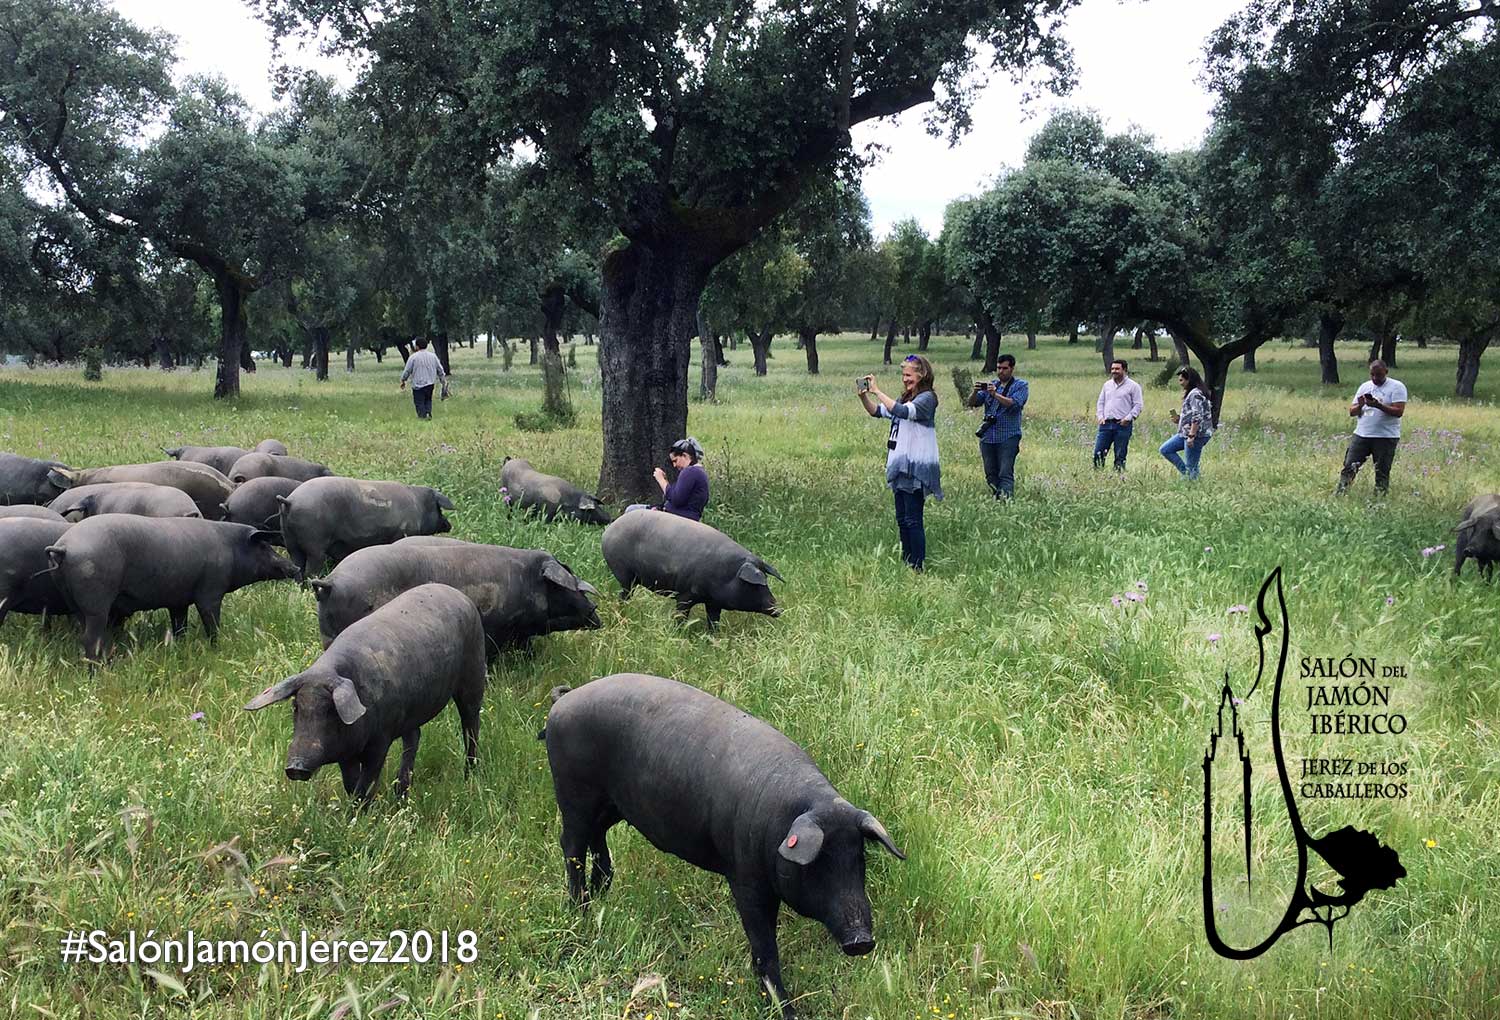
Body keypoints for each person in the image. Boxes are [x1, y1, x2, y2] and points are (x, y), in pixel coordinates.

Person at [858, 354, 942, 571]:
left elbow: (904, 412)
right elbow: (878, 411)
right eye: (903, 375)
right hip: (900, 466)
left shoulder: (928, 398)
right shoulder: (905, 397)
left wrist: (877, 391)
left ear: (922, 374)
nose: (905, 379)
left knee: (914, 519)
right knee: (902, 519)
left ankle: (918, 566)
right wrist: (864, 397)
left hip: (916, 467)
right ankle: (907, 561)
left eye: (909, 375)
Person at [1337, 359, 1407, 496]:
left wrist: (1378, 405)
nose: (1375, 378)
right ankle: (1341, 494)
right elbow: (1352, 412)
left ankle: (1379, 499)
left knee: (1382, 470)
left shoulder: (1397, 387)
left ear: (1386, 372)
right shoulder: (1365, 387)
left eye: (1379, 375)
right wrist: (1361, 405)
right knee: (1349, 466)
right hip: (1362, 434)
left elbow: (1399, 412)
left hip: (1385, 436)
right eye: (1372, 375)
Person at [967, 353, 1029, 499]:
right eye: (999, 368)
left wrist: (995, 395)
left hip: (1008, 436)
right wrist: (976, 391)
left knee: (1005, 473)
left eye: (1004, 368)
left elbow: (1014, 404)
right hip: (988, 437)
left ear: (1012, 368)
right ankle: (996, 498)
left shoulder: (1021, 386)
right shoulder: (992, 384)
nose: (1001, 371)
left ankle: (1006, 501)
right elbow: (972, 403)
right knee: (990, 473)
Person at [626, 437, 710, 520]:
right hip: (683, 515)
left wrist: (661, 480)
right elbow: (679, 497)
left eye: (675, 460)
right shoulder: (698, 472)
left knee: (631, 510)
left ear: (684, 455)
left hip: (677, 518)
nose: (674, 465)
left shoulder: (690, 471)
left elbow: (676, 499)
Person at [1159, 366, 1214, 480]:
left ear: (1189, 380)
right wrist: (1180, 420)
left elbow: (1197, 416)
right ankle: (1188, 474)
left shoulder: (1195, 394)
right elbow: (1192, 414)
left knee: (1191, 464)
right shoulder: (1193, 393)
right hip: (1185, 433)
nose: (1180, 383)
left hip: (1196, 435)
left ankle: (1191, 480)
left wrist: (1191, 436)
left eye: (1181, 380)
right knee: (1165, 449)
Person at [1093, 358, 1143, 471]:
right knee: (1098, 453)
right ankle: (1097, 476)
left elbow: (1138, 405)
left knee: (1120, 454)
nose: (1114, 371)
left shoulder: (1133, 386)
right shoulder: (1107, 385)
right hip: (1105, 424)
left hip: (1122, 425)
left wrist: (1129, 418)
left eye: (1117, 369)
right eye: (1112, 369)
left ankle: (1119, 477)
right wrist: (1100, 416)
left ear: (1124, 370)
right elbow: (1101, 402)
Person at [398, 338, 446, 419]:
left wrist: (403, 380)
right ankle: (428, 413)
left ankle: (422, 416)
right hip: (430, 383)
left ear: (417, 346)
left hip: (418, 384)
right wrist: (443, 380)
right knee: (428, 400)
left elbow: (407, 371)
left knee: (419, 402)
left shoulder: (413, 357)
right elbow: (440, 369)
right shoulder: (433, 356)